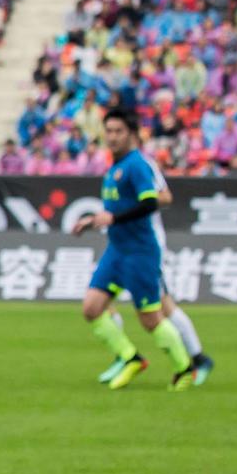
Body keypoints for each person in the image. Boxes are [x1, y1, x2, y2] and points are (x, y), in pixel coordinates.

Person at [68, 108, 195, 391]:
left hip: (140, 251)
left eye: (118, 132)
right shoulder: (114, 169)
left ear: (132, 135)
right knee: (91, 308)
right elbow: (116, 208)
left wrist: (112, 219)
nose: (112, 137)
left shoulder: (137, 165)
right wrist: (92, 221)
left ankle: (185, 367)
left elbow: (150, 202)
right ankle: (130, 357)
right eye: (109, 131)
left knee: (150, 318)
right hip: (117, 250)